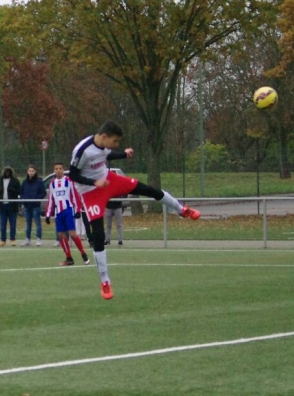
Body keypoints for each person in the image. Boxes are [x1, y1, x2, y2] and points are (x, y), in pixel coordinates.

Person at [70, 121, 200, 300]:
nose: (116, 145)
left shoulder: (103, 145)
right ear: (105, 136)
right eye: (115, 141)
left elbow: (108, 154)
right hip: (91, 192)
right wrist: (94, 182)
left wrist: (124, 154)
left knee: (148, 189)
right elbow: (73, 175)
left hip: (108, 180)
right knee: (98, 234)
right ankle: (105, 282)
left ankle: (181, 209)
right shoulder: (82, 150)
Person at [45, 163, 89, 266]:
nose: (58, 170)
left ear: (63, 170)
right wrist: (48, 214)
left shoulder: (69, 181)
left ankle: (84, 254)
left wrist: (78, 210)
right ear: (54, 170)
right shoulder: (52, 184)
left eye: (60, 168)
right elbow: (51, 199)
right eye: (56, 169)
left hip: (68, 210)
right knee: (61, 235)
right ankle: (69, 258)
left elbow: (75, 195)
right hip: (58, 212)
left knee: (72, 233)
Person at [0, 166, 21, 247]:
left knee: (13, 223)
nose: (7, 173)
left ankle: (12, 239)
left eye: (9, 172)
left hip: (12, 205)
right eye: (6, 172)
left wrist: (12, 190)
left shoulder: (15, 180)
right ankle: (3, 240)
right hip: (2, 205)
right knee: (3, 224)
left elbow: (19, 191)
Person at [20, 165, 47, 247]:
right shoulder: (25, 182)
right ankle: (27, 239)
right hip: (27, 206)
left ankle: (38, 239)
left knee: (37, 223)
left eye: (32, 171)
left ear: (35, 172)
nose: (31, 172)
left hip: (36, 206)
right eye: (29, 171)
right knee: (28, 223)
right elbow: (21, 192)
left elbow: (43, 192)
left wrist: (37, 199)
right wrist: (23, 200)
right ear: (27, 172)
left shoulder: (39, 182)